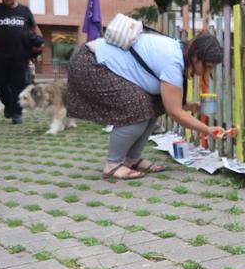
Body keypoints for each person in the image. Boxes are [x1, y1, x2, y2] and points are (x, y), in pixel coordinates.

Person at [67, 31, 232, 180]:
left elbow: (169, 100)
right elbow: (174, 112)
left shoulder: (176, 53)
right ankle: (112, 164)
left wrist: (191, 107)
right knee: (136, 108)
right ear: (197, 58)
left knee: (153, 105)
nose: (207, 72)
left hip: (98, 61)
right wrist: (208, 130)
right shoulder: (173, 62)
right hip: (90, 63)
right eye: (208, 67)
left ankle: (132, 159)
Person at [0, 0, 43, 124]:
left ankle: (16, 113)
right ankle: (9, 105)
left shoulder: (24, 11)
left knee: (18, 85)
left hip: (21, 55)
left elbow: (34, 28)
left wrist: (40, 42)